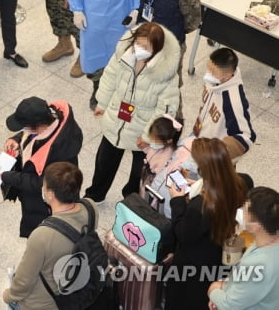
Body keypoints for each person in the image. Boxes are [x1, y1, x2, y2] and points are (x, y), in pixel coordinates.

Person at [85, 22, 180, 203]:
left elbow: (166, 109)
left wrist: (148, 135)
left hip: (143, 127)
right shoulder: (123, 56)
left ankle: (132, 198)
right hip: (116, 118)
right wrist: (102, 102)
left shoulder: (166, 73)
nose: (139, 49)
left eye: (145, 47)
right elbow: (109, 77)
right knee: (105, 160)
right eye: (137, 43)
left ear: (157, 48)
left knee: (140, 169)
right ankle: (95, 194)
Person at [165, 138, 248, 310]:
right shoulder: (239, 183)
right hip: (217, 256)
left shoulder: (201, 205)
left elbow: (182, 234)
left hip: (191, 269)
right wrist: (197, 185)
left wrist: (177, 200)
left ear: (204, 168)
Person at [2, 161, 98, 309]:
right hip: (76, 287)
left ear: (51, 195)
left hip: (44, 302)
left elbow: (24, 281)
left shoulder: (42, 236)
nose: (42, 188)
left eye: (44, 186)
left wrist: (8, 296)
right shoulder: (91, 207)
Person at [138, 0, 201, 119]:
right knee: (144, 78)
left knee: (169, 88)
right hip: (144, 38)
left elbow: (192, 21)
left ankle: (174, 122)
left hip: (169, 45)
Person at [1, 96, 83, 237]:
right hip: (34, 196)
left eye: (25, 127)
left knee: (43, 235)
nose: (24, 130)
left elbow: (42, 182)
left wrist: (8, 176)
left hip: (46, 204)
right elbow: (30, 134)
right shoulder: (51, 119)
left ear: (39, 126)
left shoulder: (60, 152)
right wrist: (17, 138)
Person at [208, 186, 279, 310]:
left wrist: (213, 290)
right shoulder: (269, 241)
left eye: (245, 211)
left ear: (257, 226)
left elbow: (229, 305)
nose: (240, 212)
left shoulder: (258, 266)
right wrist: (224, 286)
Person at [194, 48, 255, 161]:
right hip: (201, 138)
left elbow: (247, 138)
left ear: (227, 76)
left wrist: (217, 154)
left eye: (213, 71)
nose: (208, 73)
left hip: (212, 158)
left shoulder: (233, 100)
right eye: (209, 68)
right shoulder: (214, 81)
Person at [137, 114, 195, 218]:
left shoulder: (168, 155)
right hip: (146, 176)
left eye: (156, 140)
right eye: (152, 137)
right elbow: (151, 151)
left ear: (168, 141)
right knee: (142, 192)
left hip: (153, 182)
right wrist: (145, 148)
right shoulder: (157, 144)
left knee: (150, 201)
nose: (153, 141)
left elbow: (160, 176)